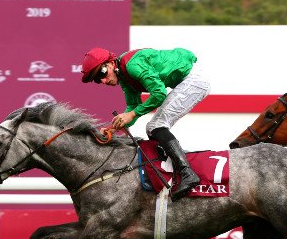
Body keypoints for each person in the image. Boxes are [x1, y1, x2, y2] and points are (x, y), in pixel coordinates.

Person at [81, 47, 210, 201]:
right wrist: (112, 128)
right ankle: (176, 173)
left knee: (155, 126)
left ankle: (187, 173)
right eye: (97, 80)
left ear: (111, 64)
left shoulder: (132, 66)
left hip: (193, 80)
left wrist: (132, 114)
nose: (103, 81)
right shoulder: (124, 77)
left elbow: (159, 93)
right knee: (153, 128)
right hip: (187, 81)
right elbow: (133, 107)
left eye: (102, 73)